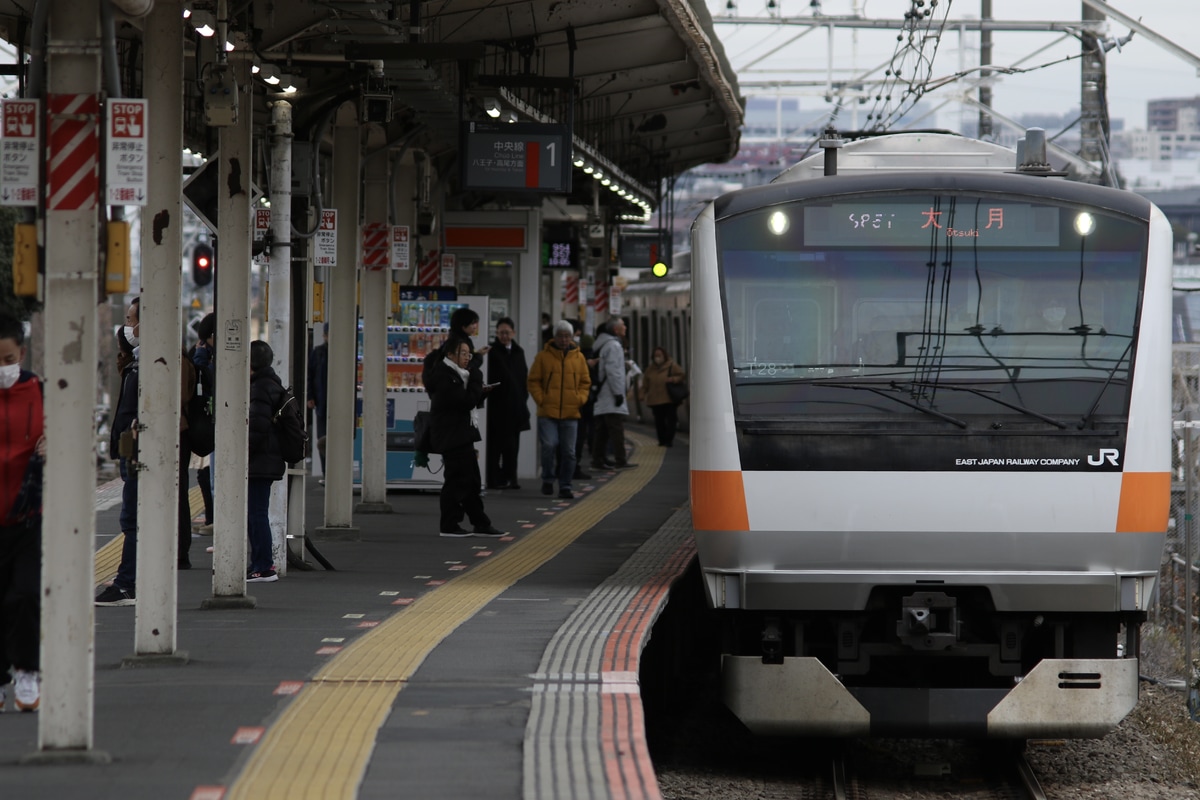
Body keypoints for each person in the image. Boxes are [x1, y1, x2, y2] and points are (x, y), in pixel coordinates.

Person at [0, 313, 45, 712]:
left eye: (7, 358)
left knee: (26, 594)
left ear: (21, 354)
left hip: (29, 514)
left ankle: (27, 671)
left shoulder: (39, 390)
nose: (3, 369)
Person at [425, 335, 504, 537]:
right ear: (450, 354)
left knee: (470, 481)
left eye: (469, 353)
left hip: (460, 433)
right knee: (456, 480)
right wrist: (477, 379)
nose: (467, 357)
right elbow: (465, 401)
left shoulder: (458, 374)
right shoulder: (446, 375)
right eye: (463, 353)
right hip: (452, 435)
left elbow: (466, 400)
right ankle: (449, 525)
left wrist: (480, 391)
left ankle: (481, 523)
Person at [97, 300, 141, 606]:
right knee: (133, 519)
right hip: (132, 451)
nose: (125, 327)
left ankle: (127, 584)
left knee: (133, 519)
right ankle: (128, 576)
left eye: (129, 319)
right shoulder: (136, 363)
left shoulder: (150, 364)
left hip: (138, 452)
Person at [527, 320, 591, 500]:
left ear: (572, 338)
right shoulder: (543, 357)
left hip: (571, 413)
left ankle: (565, 486)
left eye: (567, 336)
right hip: (547, 412)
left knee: (569, 452)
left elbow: (586, 382)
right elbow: (533, 381)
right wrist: (542, 399)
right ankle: (548, 478)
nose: (564, 340)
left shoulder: (579, 358)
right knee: (549, 445)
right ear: (554, 337)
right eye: (561, 336)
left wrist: (580, 399)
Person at [247, 340, 288, 582]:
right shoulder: (270, 383)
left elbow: (258, 427)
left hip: (260, 460)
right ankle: (259, 564)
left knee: (257, 513)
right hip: (266, 458)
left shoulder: (260, 387)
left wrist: (242, 454)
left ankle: (263, 566)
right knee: (256, 512)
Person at [485, 317, 530, 490]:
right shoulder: (492, 352)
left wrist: (523, 398)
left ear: (513, 333)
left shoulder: (519, 352)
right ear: (496, 333)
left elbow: (523, 377)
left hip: (516, 408)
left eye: (507, 332)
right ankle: (494, 479)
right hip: (496, 408)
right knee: (494, 447)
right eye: (501, 333)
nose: (504, 336)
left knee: (512, 447)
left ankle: (511, 478)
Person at [590, 317, 636, 470]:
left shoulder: (604, 344)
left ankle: (598, 459)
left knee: (602, 429)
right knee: (616, 429)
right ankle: (620, 459)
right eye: (623, 325)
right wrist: (618, 393)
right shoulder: (614, 346)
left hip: (604, 393)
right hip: (610, 394)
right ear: (616, 329)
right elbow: (613, 371)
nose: (626, 327)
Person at [189, 312, 215, 533]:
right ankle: (212, 518)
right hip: (207, 421)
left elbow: (208, 380)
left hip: (209, 422)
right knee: (205, 474)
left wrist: (200, 361)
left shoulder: (204, 357)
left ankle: (214, 519)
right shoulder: (201, 354)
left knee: (208, 474)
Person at [638, 346, 686, 447]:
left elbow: (681, 375)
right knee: (659, 422)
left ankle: (669, 440)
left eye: (659, 355)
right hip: (655, 400)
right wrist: (642, 394)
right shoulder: (650, 370)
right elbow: (645, 384)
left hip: (669, 399)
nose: (657, 358)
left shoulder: (672, 366)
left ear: (664, 355)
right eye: (655, 356)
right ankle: (662, 440)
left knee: (671, 420)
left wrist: (673, 379)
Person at [307, 322, 329, 463]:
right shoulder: (318, 352)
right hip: (322, 402)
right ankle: (326, 473)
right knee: (322, 440)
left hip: (339, 404)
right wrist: (310, 396)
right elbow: (310, 375)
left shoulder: (344, 351)